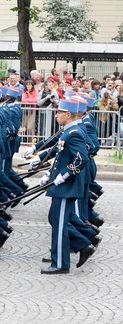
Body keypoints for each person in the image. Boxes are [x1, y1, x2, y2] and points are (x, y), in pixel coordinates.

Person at [39, 100, 95, 274]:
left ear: (68, 114)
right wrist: (50, 173)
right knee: (57, 219)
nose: (56, 115)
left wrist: (63, 176)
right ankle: (83, 245)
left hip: (67, 186)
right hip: (62, 185)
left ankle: (61, 264)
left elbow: (80, 159)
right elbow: (61, 157)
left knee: (60, 224)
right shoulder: (69, 131)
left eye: (59, 112)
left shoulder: (75, 132)